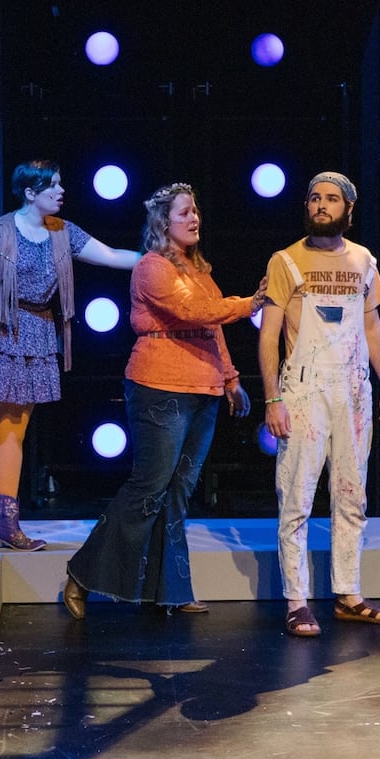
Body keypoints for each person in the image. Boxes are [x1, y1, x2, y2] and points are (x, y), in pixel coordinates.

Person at [0, 160, 140, 560]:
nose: (61, 190)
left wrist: (161, 259)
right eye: (52, 185)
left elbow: (113, 256)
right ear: (30, 193)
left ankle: (5, 525)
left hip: (33, 334)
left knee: (12, 431)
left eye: (60, 182)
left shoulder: (64, 233)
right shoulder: (0, 231)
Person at [62, 182, 265, 617]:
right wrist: (251, 304)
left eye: (196, 212)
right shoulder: (152, 268)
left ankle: (171, 591)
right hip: (160, 387)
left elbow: (212, 326)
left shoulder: (200, 271)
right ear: (163, 223)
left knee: (178, 492)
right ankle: (82, 574)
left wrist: (230, 378)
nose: (194, 219)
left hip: (203, 389)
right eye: (185, 213)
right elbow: (194, 313)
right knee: (149, 488)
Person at [259, 172, 380, 638]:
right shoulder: (285, 260)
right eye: (315, 197)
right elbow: (269, 337)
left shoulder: (363, 260)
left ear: (349, 210)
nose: (322, 205)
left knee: (351, 495)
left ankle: (349, 594)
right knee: (297, 498)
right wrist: (272, 398)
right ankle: (297, 601)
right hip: (303, 390)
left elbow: (373, 328)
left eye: (332, 199)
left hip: (354, 392)